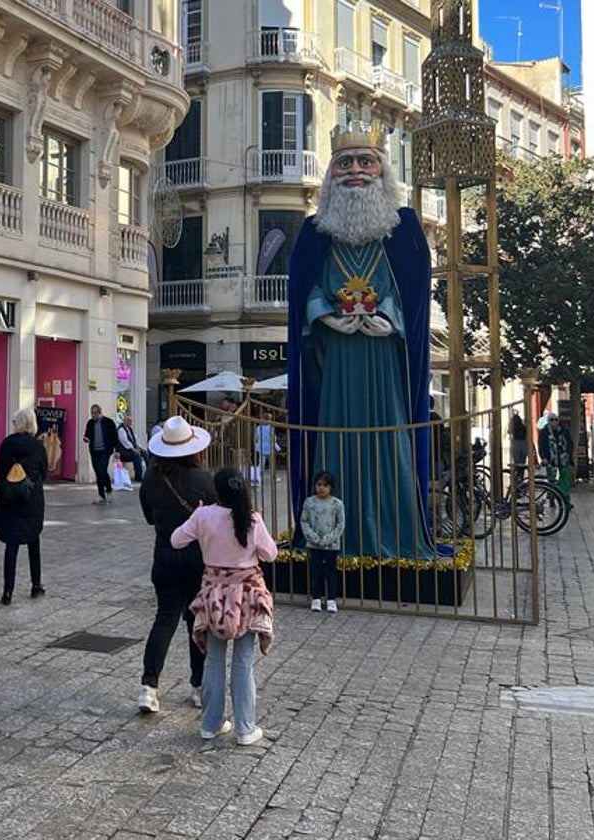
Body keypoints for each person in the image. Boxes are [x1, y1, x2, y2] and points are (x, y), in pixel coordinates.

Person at [286, 121, 435, 561]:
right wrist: (327, 317)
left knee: (388, 436)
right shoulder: (316, 234)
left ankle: (396, 532)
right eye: (345, 163)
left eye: (365, 161)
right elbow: (306, 294)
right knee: (336, 435)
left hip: (384, 356)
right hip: (336, 361)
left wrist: (389, 318)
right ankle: (331, 535)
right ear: (331, 173)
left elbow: (413, 295)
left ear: (382, 170)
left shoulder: (404, 229)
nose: (355, 171)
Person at [172, 467, 276, 745]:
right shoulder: (252, 519)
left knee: (214, 660)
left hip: (213, 595)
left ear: (216, 490)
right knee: (243, 661)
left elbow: (176, 540)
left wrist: (200, 517)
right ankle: (244, 728)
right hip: (247, 594)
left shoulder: (203, 515)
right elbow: (271, 553)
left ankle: (211, 723)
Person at [137, 415, 216, 713]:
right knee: (196, 622)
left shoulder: (151, 480)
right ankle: (198, 686)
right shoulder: (204, 480)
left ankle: (148, 686)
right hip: (197, 557)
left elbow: (148, 518)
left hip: (165, 555)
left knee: (164, 619)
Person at [0, 407, 49, 604]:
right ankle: (36, 584)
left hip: (10, 499)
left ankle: (7, 591)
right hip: (31, 499)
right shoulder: (37, 445)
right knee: (34, 541)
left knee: (12, 544)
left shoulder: (7, 444)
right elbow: (44, 471)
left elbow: (0, 471)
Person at [300, 470, 345, 614]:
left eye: (325, 485)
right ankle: (316, 598)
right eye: (319, 484)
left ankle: (331, 599)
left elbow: (340, 524)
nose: (321, 488)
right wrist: (314, 538)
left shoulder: (337, 504)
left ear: (331, 487)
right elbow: (304, 521)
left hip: (331, 545)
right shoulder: (309, 502)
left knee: (330, 572)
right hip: (314, 544)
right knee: (316, 571)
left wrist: (327, 539)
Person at [83, 404, 119, 504]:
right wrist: (86, 438)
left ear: (99, 412)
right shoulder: (90, 423)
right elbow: (87, 434)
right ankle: (104, 493)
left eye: (95, 413)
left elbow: (115, 437)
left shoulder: (108, 422)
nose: (93, 415)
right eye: (92, 413)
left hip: (105, 451)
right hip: (94, 451)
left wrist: (117, 450)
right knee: (99, 472)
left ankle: (105, 492)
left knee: (101, 471)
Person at [538, 413, 574, 504]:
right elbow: (541, 446)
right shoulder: (544, 432)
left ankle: (566, 500)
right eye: (551, 420)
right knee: (551, 479)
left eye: (555, 419)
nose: (554, 422)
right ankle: (551, 498)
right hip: (551, 459)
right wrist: (544, 457)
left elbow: (570, 443)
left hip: (564, 459)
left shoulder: (564, 430)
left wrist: (568, 454)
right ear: (548, 421)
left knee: (565, 480)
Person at [117, 414, 148, 483]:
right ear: (125, 421)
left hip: (132, 449)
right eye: (129, 421)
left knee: (145, 453)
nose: (130, 422)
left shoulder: (130, 430)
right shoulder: (121, 430)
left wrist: (140, 448)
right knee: (136, 456)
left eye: (131, 421)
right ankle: (138, 477)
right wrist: (134, 449)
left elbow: (135, 441)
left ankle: (148, 474)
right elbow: (125, 442)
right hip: (125, 451)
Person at [509, 410, 528, 486]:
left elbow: (509, 432)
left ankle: (515, 481)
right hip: (523, 444)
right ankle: (521, 480)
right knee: (522, 464)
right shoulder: (523, 426)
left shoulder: (513, 427)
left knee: (516, 464)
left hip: (515, 444)